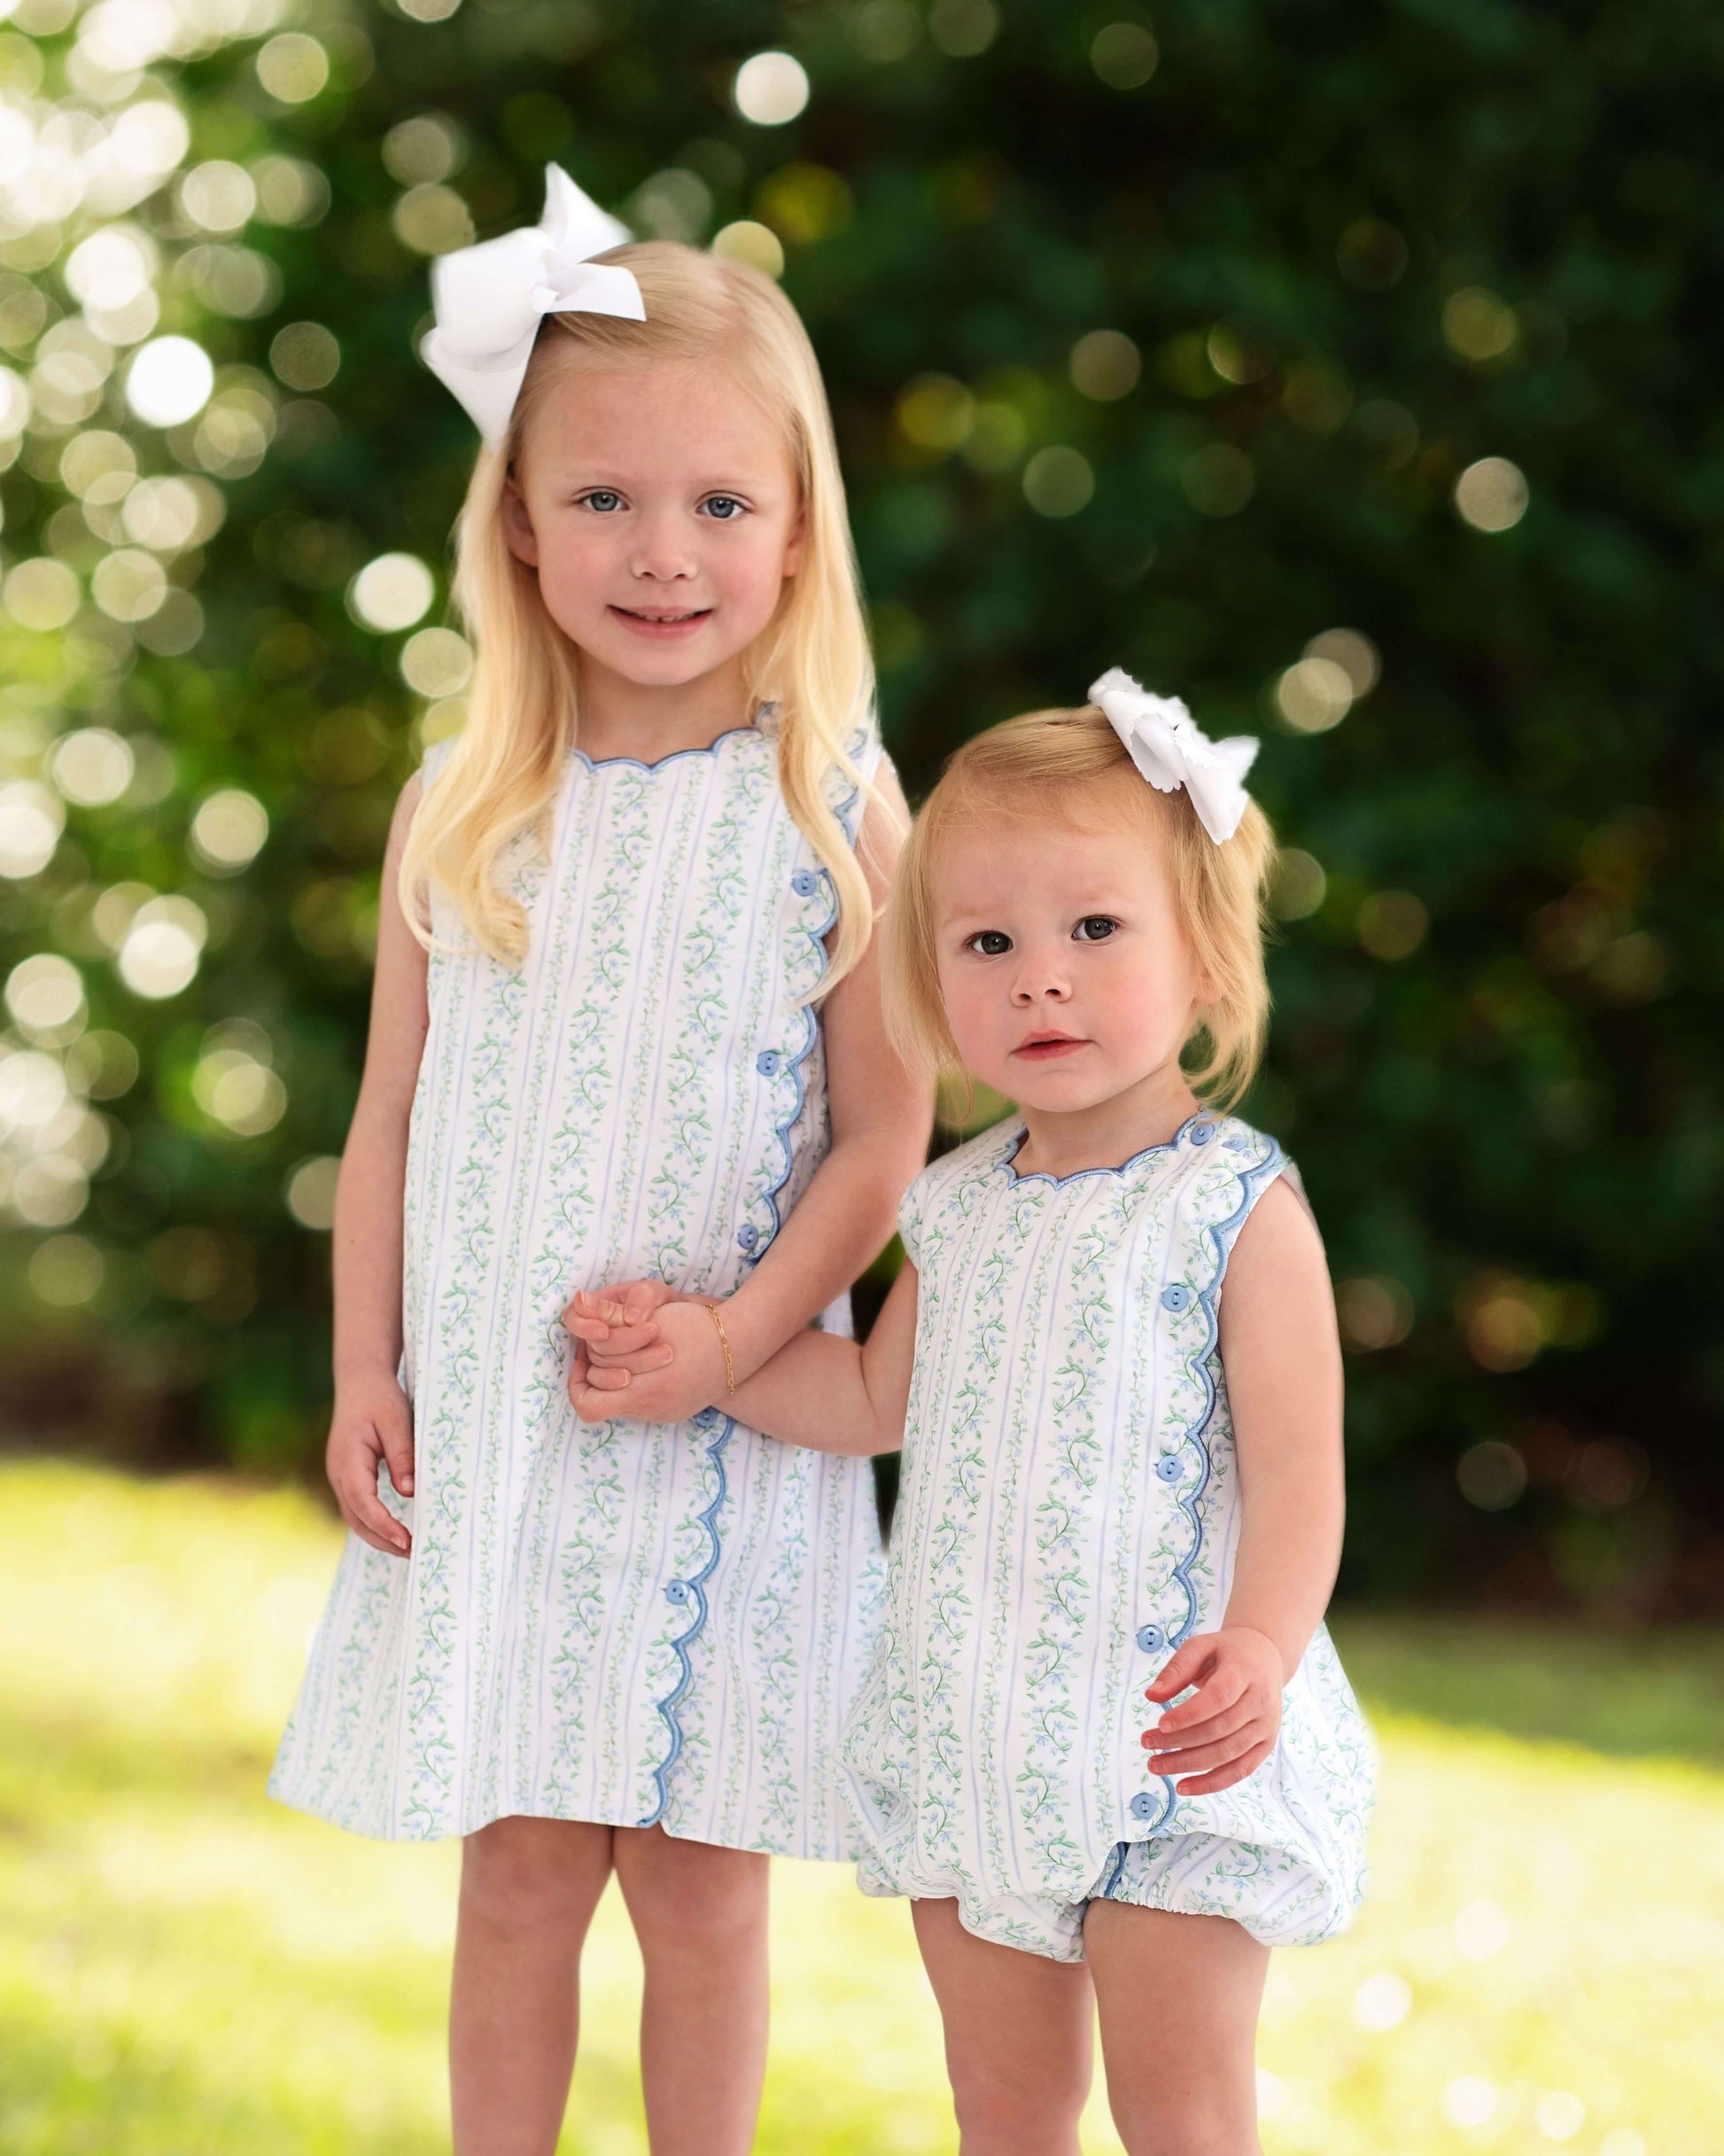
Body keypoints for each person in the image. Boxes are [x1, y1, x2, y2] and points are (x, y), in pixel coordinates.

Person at [269, 167, 930, 2156]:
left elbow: (885, 1129)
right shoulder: (469, 802)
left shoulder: (829, 802)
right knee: (522, 1861)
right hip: (507, 1423)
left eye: (721, 504)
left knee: (704, 1879)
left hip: (724, 1428)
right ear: (519, 531)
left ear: (798, 527)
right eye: (607, 501)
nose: (665, 552)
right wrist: (363, 1366)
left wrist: (733, 1339)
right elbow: (386, 1116)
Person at [572, 671, 1375, 2156]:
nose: (1039, 978)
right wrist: (712, 1352)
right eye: (988, 943)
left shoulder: (1233, 1205)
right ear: (932, 983)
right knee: (1004, 2111)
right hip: (979, 1736)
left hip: (1168, 1745)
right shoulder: (953, 1209)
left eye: (1093, 930)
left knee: (1180, 2111)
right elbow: (874, 1396)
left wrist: (1260, 1644)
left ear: (1202, 955)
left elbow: (1298, 1471)